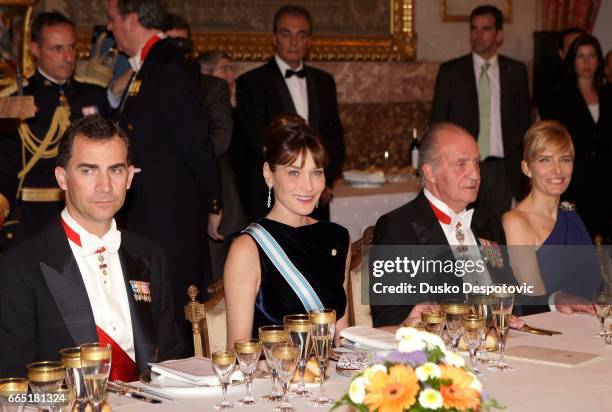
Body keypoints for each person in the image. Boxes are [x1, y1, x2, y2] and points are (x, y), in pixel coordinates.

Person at [0, 115, 183, 379]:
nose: (105, 186)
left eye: (115, 170)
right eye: (88, 170)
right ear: (62, 178)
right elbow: (12, 387)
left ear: (130, 177)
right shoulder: (19, 268)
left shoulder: (150, 254)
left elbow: (169, 356)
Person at [106, 0, 222, 348]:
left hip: (170, 218)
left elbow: (196, 143)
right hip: (152, 214)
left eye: (113, 19)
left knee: (174, 316)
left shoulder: (168, 64)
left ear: (132, 18)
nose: (110, 27)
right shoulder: (149, 64)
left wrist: (213, 203)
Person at [370, 122, 521, 329]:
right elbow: (386, 316)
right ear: (430, 173)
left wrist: (553, 300)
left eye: (476, 163)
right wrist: (417, 314)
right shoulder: (398, 228)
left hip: (502, 344)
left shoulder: (487, 222)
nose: (475, 174)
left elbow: (513, 296)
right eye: (461, 164)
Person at [224, 113, 349, 346]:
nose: (308, 186)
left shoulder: (337, 238)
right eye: (294, 172)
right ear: (268, 174)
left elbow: (341, 340)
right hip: (274, 379)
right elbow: (239, 352)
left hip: (328, 378)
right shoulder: (247, 249)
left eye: (317, 172)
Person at [0, 12, 109, 250]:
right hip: (31, 221)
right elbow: (5, 164)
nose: (68, 57)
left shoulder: (94, 95)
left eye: (71, 48)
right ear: (35, 49)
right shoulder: (14, 100)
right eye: (57, 49)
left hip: (87, 219)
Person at [232, 5, 344, 222]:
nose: (294, 42)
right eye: (286, 34)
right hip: (272, 197)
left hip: (316, 198)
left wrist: (322, 181)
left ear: (309, 40)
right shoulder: (251, 83)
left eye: (301, 35)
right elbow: (255, 142)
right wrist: (289, 181)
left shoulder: (324, 82)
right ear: (274, 38)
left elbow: (335, 137)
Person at [430, 5, 531, 220]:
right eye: (474, 29)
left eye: (486, 29)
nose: (478, 35)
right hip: (463, 168)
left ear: (499, 35)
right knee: (465, 234)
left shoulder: (515, 72)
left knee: (500, 238)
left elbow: (525, 125)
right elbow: (437, 125)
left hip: (505, 170)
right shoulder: (451, 72)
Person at [502, 121, 599, 315]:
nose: (557, 170)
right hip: (553, 333)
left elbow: (597, 286)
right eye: (545, 160)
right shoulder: (516, 222)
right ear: (526, 168)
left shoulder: (571, 215)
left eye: (565, 159)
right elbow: (532, 302)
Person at [544, 34, 612, 240]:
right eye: (581, 56)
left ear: (599, 61)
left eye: (591, 56)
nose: (586, 62)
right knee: (578, 237)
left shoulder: (609, 93)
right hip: (575, 180)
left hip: (607, 178)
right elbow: (552, 140)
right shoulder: (560, 96)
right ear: (572, 61)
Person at [534, 27, 585, 117]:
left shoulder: (602, 86)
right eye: (572, 47)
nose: (578, 52)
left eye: (581, 46)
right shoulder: (550, 85)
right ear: (561, 53)